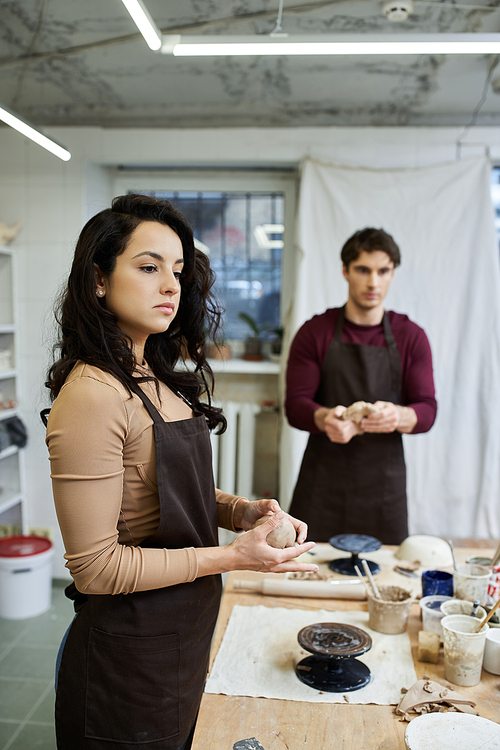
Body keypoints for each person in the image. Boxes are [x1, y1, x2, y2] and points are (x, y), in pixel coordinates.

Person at [43, 194, 317, 750]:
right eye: (148, 268)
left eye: (176, 271)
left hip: (180, 635)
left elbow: (169, 491)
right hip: (128, 657)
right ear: (99, 279)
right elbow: (96, 569)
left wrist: (240, 511)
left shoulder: (153, 376)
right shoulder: (94, 395)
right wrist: (232, 557)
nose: (170, 285)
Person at [286, 227, 437, 545]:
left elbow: (427, 409)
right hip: (323, 483)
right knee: (310, 573)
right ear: (345, 271)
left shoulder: (411, 337)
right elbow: (296, 405)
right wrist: (324, 417)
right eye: (363, 270)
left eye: (383, 271)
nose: (373, 282)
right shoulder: (315, 332)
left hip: (384, 489)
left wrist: (397, 416)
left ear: (393, 272)